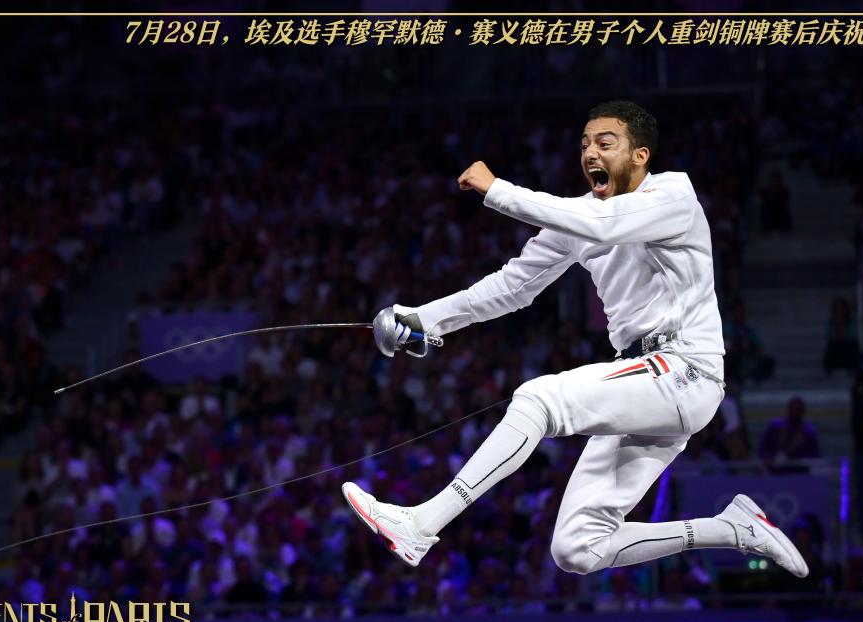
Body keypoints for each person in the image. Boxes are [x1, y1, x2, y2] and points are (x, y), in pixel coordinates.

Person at [342, 101, 807, 579]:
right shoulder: (581, 218)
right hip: (644, 385)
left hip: (684, 370)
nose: (590, 154)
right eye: (585, 145)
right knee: (579, 548)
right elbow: (512, 286)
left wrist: (498, 190)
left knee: (539, 399)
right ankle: (732, 529)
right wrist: (423, 319)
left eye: (605, 143)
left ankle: (422, 524)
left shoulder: (673, 196)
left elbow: (606, 224)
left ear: (640, 156)